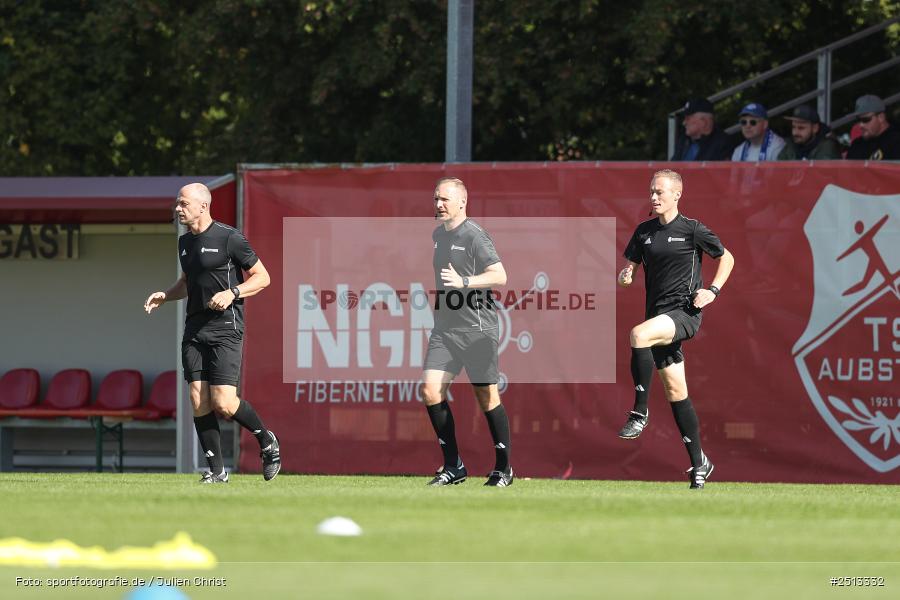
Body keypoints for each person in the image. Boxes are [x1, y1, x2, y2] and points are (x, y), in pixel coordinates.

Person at [144, 183, 280, 484]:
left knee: (224, 403)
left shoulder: (229, 238)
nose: (178, 209)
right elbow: (187, 282)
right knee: (197, 398)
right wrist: (166, 295)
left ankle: (267, 440)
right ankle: (217, 471)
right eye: (177, 203)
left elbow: (263, 278)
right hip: (195, 328)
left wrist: (233, 292)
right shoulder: (184, 242)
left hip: (225, 328)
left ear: (203, 206)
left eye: (183, 203)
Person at [616, 170, 735, 489]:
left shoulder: (692, 229)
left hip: (684, 313)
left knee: (638, 335)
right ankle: (700, 463)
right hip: (658, 318)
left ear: (677, 195)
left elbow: (727, 258)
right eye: (651, 192)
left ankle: (639, 412)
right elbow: (628, 270)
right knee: (676, 393)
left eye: (660, 192)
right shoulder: (644, 232)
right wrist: (625, 276)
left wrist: (713, 291)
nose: (654, 197)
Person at [421, 177, 513, 487]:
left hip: (477, 329)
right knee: (430, 391)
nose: (438, 204)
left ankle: (503, 468)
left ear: (462, 202)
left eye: (444, 199)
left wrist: (464, 282)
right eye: (436, 199)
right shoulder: (438, 234)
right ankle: (453, 466)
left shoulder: (475, 235)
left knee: (487, 396)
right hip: (445, 329)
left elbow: (499, 275)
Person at [777, 104, 842, 160]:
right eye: (793, 127)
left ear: (815, 128)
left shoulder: (827, 147)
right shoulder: (791, 145)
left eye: (801, 128)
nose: (795, 133)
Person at [846, 94, 900, 160]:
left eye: (865, 119)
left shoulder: (896, 141)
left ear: (881, 117)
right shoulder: (856, 145)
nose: (861, 125)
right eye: (858, 120)